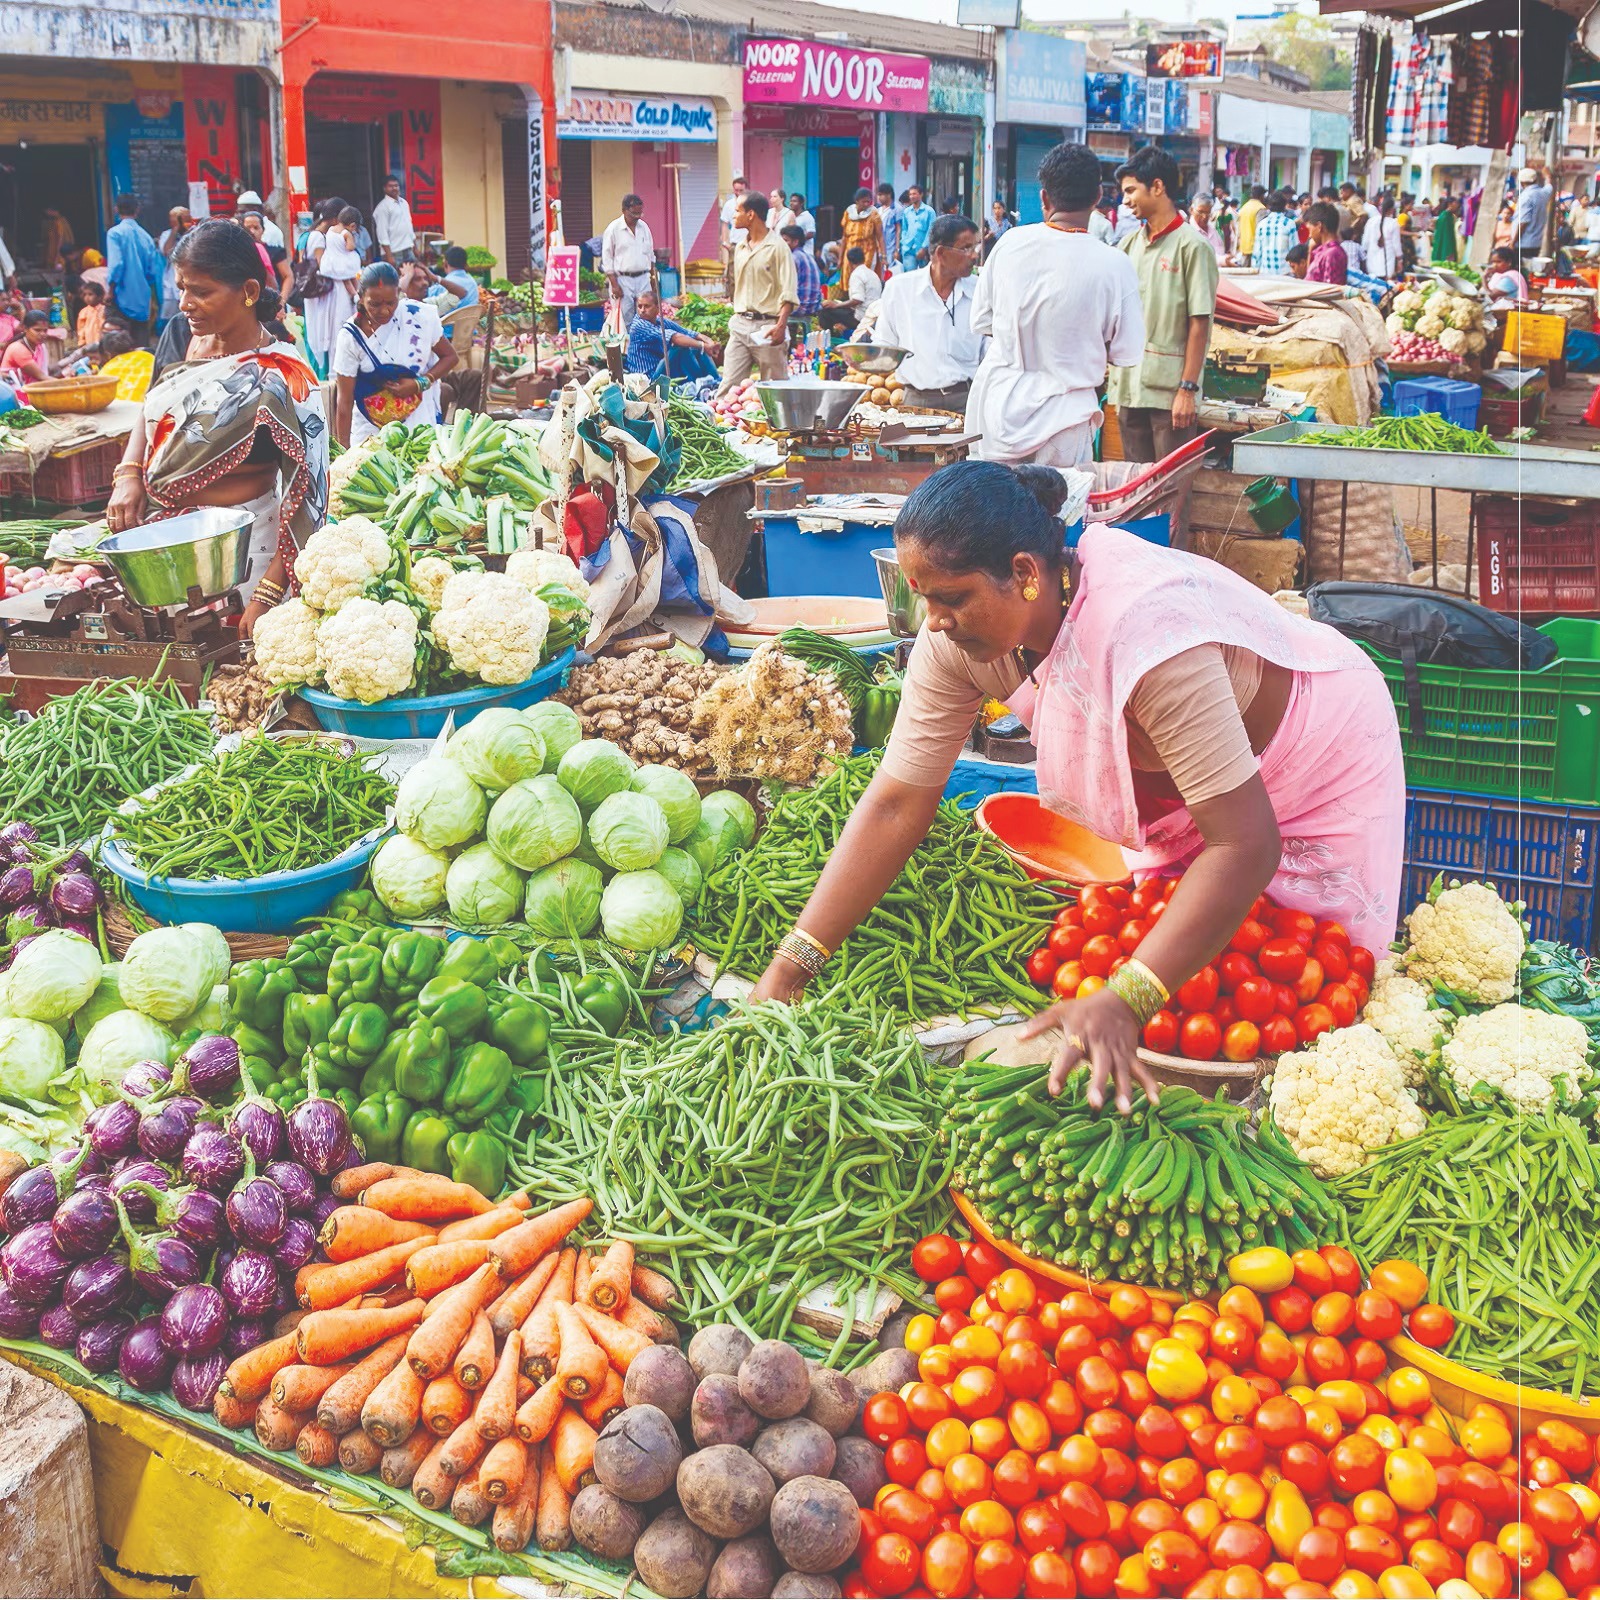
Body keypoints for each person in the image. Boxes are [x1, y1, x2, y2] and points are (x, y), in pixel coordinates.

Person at [749, 461, 1405, 1110]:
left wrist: (1128, 996)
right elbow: (897, 804)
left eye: (952, 598)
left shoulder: (1144, 629)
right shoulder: (955, 641)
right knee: (1201, 973)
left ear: (1027, 575)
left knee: (1314, 996)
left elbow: (1243, 845)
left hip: (1314, 757)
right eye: (923, 598)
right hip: (1185, 794)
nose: (935, 621)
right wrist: (790, 969)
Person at [105, 218, 326, 631]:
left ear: (248, 292)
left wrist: (268, 592)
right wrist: (128, 474)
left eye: (201, 292)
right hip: (165, 543)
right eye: (181, 287)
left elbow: (310, 497)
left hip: (242, 553)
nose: (185, 302)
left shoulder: (284, 378)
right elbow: (150, 405)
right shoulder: (181, 335)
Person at [966, 142, 1144, 468]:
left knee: (995, 516)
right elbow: (1126, 353)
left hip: (998, 415)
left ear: (1044, 198)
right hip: (1066, 421)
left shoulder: (1009, 244)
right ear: (1098, 197)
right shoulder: (1115, 264)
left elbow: (981, 319)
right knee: (1059, 515)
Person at [1107, 145, 1218, 466]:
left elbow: (1200, 324)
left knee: (1170, 489)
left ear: (1158, 187)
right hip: (1128, 387)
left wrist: (1187, 389)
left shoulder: (1193, 247)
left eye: (1131, 191)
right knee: (1135, 487)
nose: (1125, 201)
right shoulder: (1128, 245)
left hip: (1170, 392)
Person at [332, 261, 456, 450]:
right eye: (374, 304)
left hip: (418, 425)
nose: (384, 311)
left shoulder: (417, 317)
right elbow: (345, 400)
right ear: (361, 297)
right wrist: (344, 451)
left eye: (391, 303)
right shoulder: (350, 337)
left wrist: (419, 383)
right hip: (371, 431)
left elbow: (450, 357)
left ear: (399, 293)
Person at [872, 213, 984, 412]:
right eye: (966, 248)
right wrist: (864, 358)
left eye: (975, 247)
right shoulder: (899, 289)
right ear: (941, 253)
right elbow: (885, 344)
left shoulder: (980, 291)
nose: (974, 255)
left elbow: (989, 349)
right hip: (916, 401)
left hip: (967, 400)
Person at [718, 192, 797, 392]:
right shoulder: (740, 247)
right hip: (740, 325)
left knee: (775, 392)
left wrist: (781, 326)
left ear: (751, 214)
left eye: (737, 211)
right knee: (728, 388)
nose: (733, 216)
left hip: (768, 328)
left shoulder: (779, 247)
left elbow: (789, 290)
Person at [625, 287, 718, 383]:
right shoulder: (639, 325)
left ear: (658, 308)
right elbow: (675, 338)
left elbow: (688, 333)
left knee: (695, 347)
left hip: (661, 370)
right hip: (649, 378)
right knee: (680, 347)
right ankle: (699, 383)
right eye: (639, 306)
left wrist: (709, 342)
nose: (642, 310)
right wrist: (703, 346)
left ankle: (715, 380)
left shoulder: (659, 321)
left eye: (647, 306)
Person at [106, 194, 164, 345]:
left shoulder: (115, 233)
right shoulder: (145, 236)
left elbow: (116, 264)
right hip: (142, 297)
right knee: (141, 341)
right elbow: (152, 272)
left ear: (116, 209)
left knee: (118, 341)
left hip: (121, 295)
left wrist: (110, 290)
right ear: (137, 210)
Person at [602, 194, 655, 329]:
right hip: (622, 279)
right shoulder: (613, 229)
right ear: (624, 210)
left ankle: (644, 347)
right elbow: (607, 258)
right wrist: (614, 284)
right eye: (633, 214)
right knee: (625, 317)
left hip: (643, 278)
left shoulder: (644, 227)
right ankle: (627, 348)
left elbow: (650, 253)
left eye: (639, 214)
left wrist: (653, 278)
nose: (637, 217)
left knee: (647, 315)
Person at [241, 212, 293, 300]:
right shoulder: (239, 253)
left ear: (263, 230)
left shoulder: (274, 251)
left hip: (271, 302)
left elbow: (288, 276)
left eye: (256, 228)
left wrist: (281, 300)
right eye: (248, 228)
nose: (252, 231)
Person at [839, 188, 887, 278]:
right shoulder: (848, 213)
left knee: (865, 278)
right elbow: (844, 237)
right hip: (850, 253)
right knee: (848, 278)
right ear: (857, 201)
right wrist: (840, 258)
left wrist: (884, 256)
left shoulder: (873, 214)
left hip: (867, 253)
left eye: (868, 202)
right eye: (864, 202)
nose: (866, 204)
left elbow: (880, 237)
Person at [157, 207, 193, 325]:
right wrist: (175, 230)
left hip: (190, 283)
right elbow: (166, 251)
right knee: (171, 321)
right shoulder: (166, 235)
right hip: (171, 286)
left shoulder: (194, 233)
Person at [1251, 191, 1300, 277]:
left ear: (1269, 206)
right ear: (1284, 205)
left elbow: (1257, 252)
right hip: (1285, 272)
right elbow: (1294, 250)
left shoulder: (1261, 225)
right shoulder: (1289, 224)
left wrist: (1255, 269)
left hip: (1265, 272)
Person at [782, 224, 823, 322]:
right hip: (812, 307)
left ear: (795, 242)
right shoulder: (809, 257)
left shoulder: (793, 258)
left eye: (786, 240)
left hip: (798, 307)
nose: (782, 244)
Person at [372, 175, 416, 265]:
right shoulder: (382, 208)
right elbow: (382, 234)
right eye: (391, 186)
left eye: (396, 185)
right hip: (394, 252)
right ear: (384, 188)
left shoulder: (404, 203)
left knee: (412, 277)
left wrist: (415, 247)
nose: (394, 188)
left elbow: (409, 226)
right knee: (397, 278)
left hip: (408, 248)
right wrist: (389, 256)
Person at [1, 311, 52, 383]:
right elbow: (41, 376)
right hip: (13, 391)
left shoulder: (41, 347)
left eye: (45, 330)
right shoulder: (18, 349)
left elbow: (45, 372)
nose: (43, 334)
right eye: (37, 330)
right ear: (25, 328)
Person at [1514, 166, 1553, 257]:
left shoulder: (1526, 196)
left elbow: (1523, 222)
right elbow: (1549, 186)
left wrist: (1513, 242)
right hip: (1536, 243)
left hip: (1523, 243)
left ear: (1522, 182)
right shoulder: (1542, 193)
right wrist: (1547, 176)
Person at [1304, 202, 1347, 285]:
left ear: (1319, 226)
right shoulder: (1323, 251)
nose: (1309, 235)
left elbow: (1329, 290)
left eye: (1309, 229)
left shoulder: (1332, 253)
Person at [720, 175, 749, 291]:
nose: (738, 193)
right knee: (732, 273)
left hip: (749, 242)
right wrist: (724, 241)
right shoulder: (729, 204)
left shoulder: (750, 203)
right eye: (736, 190)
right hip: (734, 243)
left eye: (741, 190)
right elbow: (725, 224)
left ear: (746, 189)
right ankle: (733, 300)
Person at [897, 185, 936, 269]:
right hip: (908, 249)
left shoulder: (929, 211)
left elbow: (931, 231)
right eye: (910, 194)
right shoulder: (907, 212)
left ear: (921, 194)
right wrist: (904, 243)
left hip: (923, 250)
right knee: (909, 277)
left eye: (914, 194)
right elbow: (904, 229)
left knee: (925, 277)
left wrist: (924, 248)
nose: (912, 196)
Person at [1365, 196, 1403, 279]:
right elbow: (1396, 245)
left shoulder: (1371, 221)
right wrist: (1400, 260)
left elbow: (1365, 243)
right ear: (1392, 209)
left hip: (1371, 264)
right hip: (1386, 266)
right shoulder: (1393, 223)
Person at [1235, 185, 1266, 264]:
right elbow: (1261, 229)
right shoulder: (1260, 208)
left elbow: (1238, 228)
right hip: (1255, 247)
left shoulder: (1244, 207)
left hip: (1244, 245)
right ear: (1261, 196)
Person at [845, 246, 882, 310]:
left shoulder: (856, 275)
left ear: (850, 263)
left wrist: (836, 305)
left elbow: (857, 300)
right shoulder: (873, 273)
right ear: (864, 259)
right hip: (876, 310)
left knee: (826, 312)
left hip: (862, 313)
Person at [1190, 195, 1225, 262]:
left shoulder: (1213, 231)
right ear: (1192, 210)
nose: (1204, 216)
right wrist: (1223, 261)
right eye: (1200, 212)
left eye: (1208, 213)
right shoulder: (1188, 232)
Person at [876, 183, 901, 273]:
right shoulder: (878, 210)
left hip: (891, 247)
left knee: (890, 272)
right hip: (879, 246)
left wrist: (897, 250)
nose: (879, 197)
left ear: (888, 195)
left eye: (881, 195)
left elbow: (898, 230)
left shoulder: (897, 209)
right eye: (878, 195)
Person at [75, 283, 106, 351]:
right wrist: (81, 343)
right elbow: (81, 330)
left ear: (99, 296)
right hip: (90, 343)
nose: (87, 297)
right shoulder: (84, 312)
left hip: (103, 343)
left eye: (90, 294)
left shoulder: (105, 310)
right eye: (85, 295)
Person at [1430, 196, 1459, 265]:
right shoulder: (1445, 216)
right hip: (1446, 246)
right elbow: (1446, 236)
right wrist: (1449, 252)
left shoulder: (1448, 215)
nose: (1457, 205)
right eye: (1455, 203)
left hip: (1445, 244)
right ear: (1449, 204)